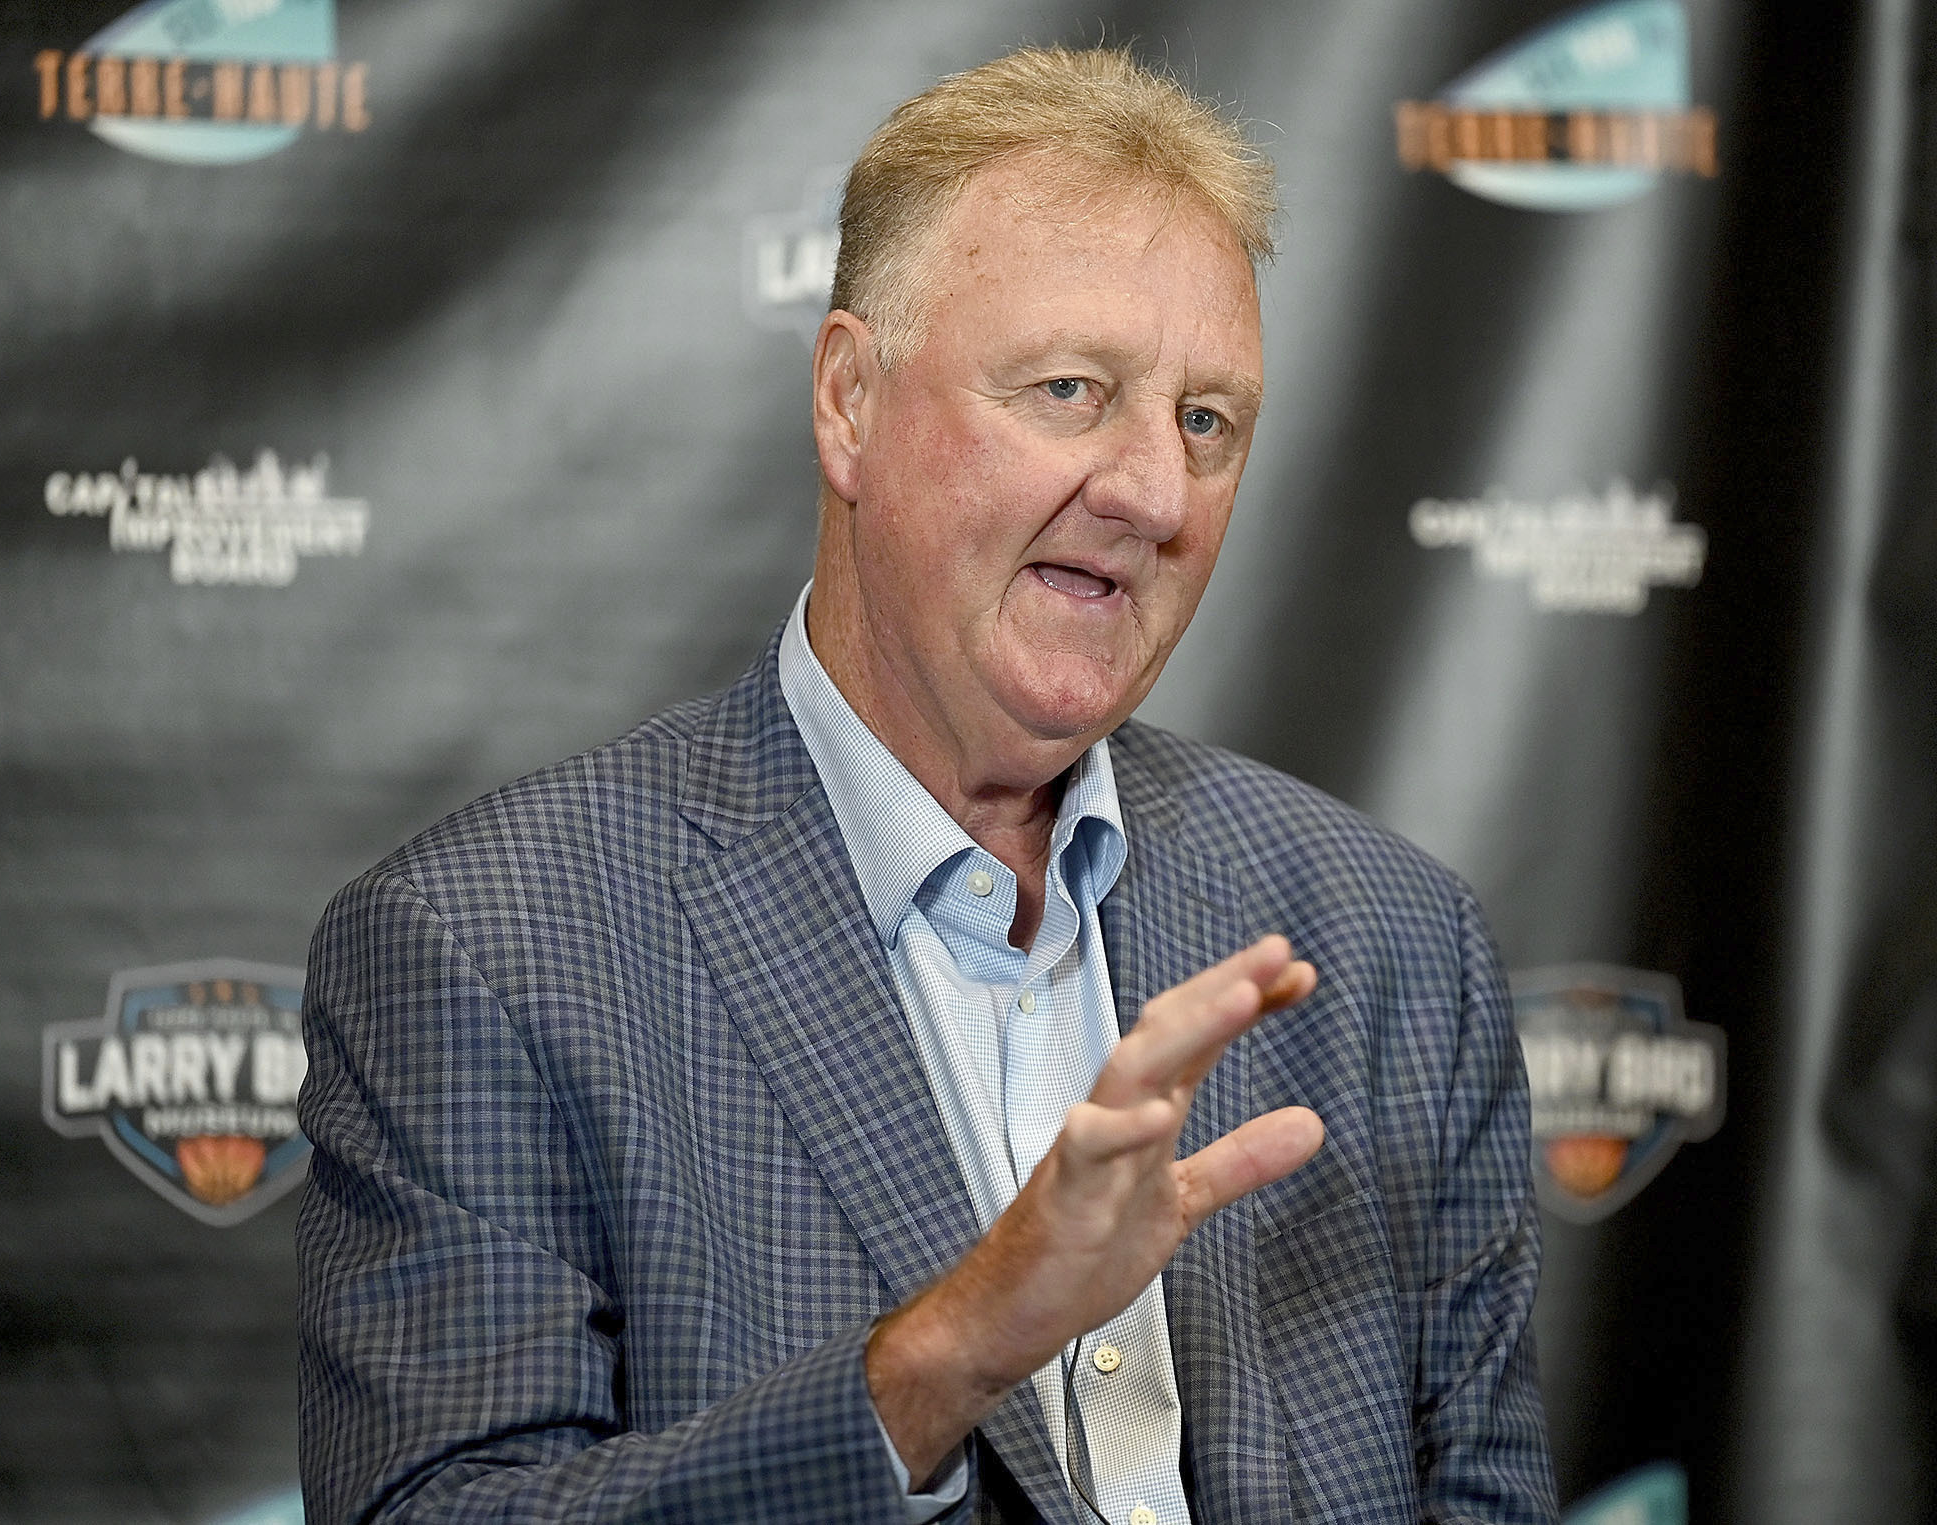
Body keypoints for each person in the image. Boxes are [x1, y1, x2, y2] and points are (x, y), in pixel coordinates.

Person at [296, 45, 1557, 1525]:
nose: (1153, 492)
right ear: (847, 399)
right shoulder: (489, 947)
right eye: (1073, 390)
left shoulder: (1392, 945)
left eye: (1207, 422)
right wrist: (950, 1353)